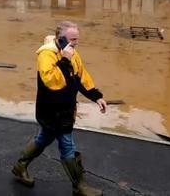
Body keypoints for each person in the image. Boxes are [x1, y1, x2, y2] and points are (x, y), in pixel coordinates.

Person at [12, 21, 107, 196]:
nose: (75, 43)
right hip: (51, 110)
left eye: (77, 39)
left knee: (43, 139)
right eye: (72, 39)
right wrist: (64, 59)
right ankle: (79, 186)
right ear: (60, 39)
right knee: (67, 146)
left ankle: (20, 167)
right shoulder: (46, 55)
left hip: (66, 109)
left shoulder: (73, 54)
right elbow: (53, 82)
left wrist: (96, 96)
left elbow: (81, 77)